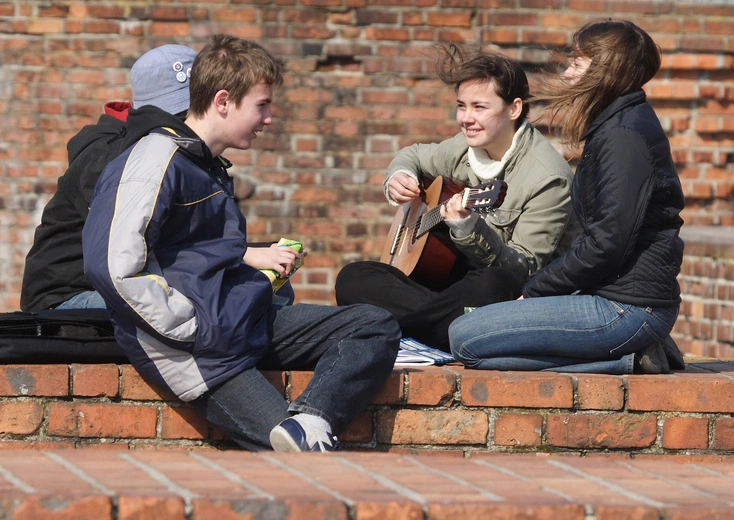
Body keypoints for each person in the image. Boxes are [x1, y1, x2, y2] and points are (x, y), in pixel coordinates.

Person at [82, 34, 400, 452]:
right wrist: (193, 328)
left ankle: (315, 417)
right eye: (262, 105)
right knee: (294, 450)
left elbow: (201, 253)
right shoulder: (154, 160)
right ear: (223, 101)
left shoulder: (206, 163)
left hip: (243, 320)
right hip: (200, 354)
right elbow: (112, 265)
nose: (269, 118)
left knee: (374, 324)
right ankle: (303, 438)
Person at [448, 20, 685, 375]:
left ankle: (629, 358)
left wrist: (537, 289)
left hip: (630, 308)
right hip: (613, 298)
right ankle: (627, 357)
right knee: (473, 341)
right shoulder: (615, 125)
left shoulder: (623, 137)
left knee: (465, 338)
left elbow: (608, 243)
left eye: (578, 62)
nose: (567, 71)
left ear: (605, 71)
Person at [335, 46, 577, 352]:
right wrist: (399, 176)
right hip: (452, 295)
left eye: (479, 107)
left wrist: (468, 230)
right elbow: (413, 155)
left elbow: (526, 270)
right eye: (461, 106)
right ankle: (444, 333)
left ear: (514, 109)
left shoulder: (548, 178)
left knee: (494, 282)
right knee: (354, 277)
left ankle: (397, 331)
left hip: (505, 296)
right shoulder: (464, 147)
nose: (466, 118)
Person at [20, 44, 198, 312]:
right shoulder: (110, 155)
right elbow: (131, 241)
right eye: (186, 112)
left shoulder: (160, 146)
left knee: (253, 294)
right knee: (210, 306)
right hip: (66, 296)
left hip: (115, 286)